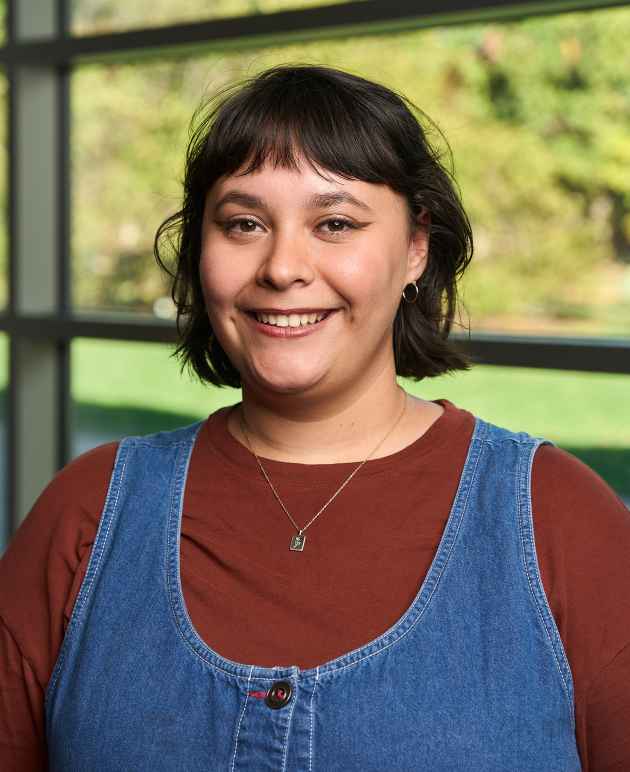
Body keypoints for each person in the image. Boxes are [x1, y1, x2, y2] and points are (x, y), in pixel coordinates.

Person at [1, 64, 629, 771]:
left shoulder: (560, 520)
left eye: (335, 223)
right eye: (244, 224)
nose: (282, 268)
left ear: (416, 247)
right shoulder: (86, 517)